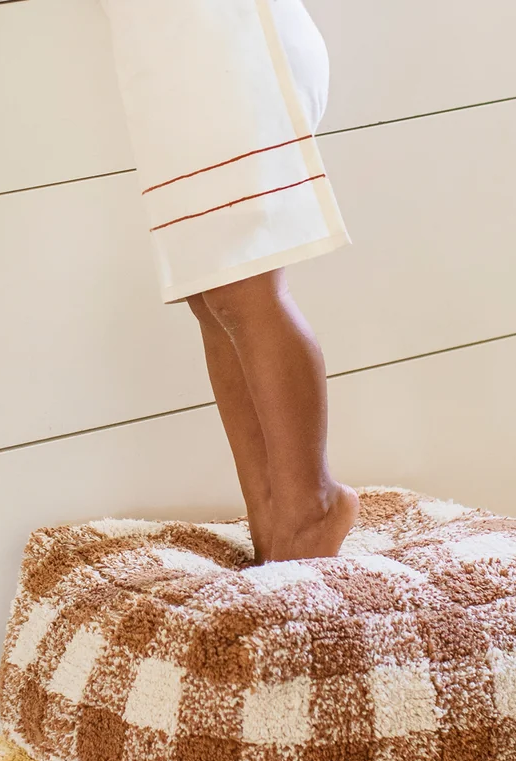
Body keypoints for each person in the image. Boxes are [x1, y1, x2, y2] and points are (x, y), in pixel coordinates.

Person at [100, 0, 357, 563]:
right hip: (172, 62)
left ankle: (312, 509)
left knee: (244, 292)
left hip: (229, 52)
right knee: (212, 294)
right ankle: (271, 517)